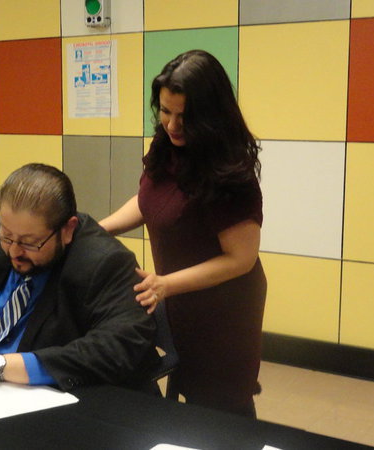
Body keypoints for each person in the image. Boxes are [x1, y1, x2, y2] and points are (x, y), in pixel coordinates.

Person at [99, 50, 267, 417]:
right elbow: (151, 199)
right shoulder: (168, 143)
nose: (172, 125)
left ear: (210, 116)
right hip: (177, 292)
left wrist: (166, 285)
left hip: (223, 306)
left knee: (222, 404)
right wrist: (101, 228)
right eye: (165, 111)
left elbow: (241, 259)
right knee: (187, 391)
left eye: (184, 117)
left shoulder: (230, 171)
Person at [0, 163, 159, 395]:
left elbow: (116, 347)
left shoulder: (105, 262)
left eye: (30, 243)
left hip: (53, 399)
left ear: (67, 230)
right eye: (7, 235)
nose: (14, 251)